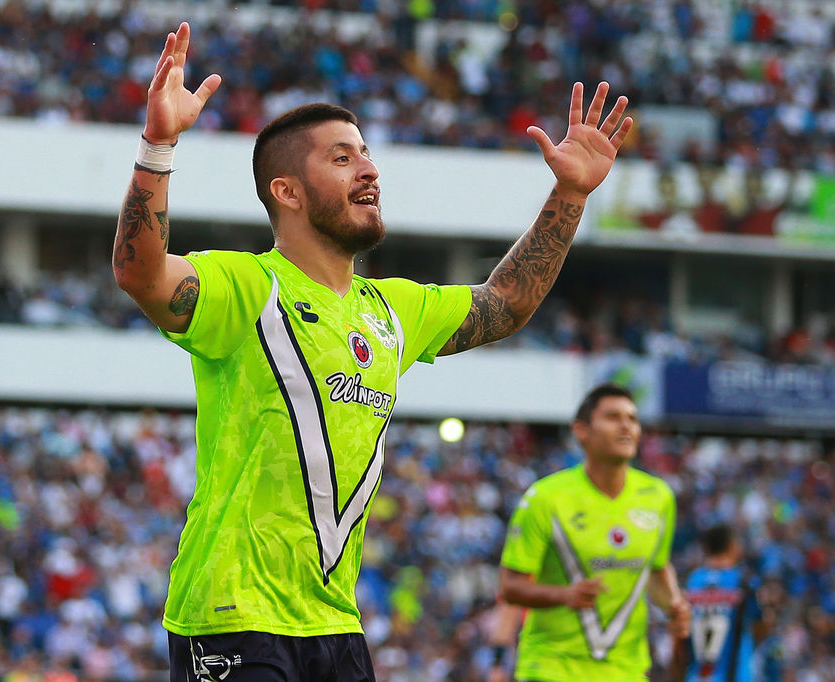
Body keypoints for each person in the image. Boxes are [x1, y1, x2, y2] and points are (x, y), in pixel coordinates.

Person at [112, 22, 632, 682]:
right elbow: (141, 274)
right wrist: (158, 146)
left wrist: (571, 194)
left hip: (336, 625)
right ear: (287, 192)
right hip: (231, 615)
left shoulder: (392, 310)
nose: (370, 169)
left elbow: (506, 303)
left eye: (365, 153)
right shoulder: (248, 286)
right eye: (342, 158)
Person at [497, 384, 690, 681]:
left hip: (626, 672)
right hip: (552, 669)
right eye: (613, 417)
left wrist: (674, 605)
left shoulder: (659, 497)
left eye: (632, 418)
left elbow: (655, 570)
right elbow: (510, 587)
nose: (626, 426)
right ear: (581, 430)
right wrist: (564, 595)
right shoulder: (546, 498)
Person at [671, 524, 764, 682]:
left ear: (706, 549)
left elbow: (678, 640)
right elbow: (760, 628)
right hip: (734, 676)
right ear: (732, 546)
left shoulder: (691, 582)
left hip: (696, 676)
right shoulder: (745, 581)